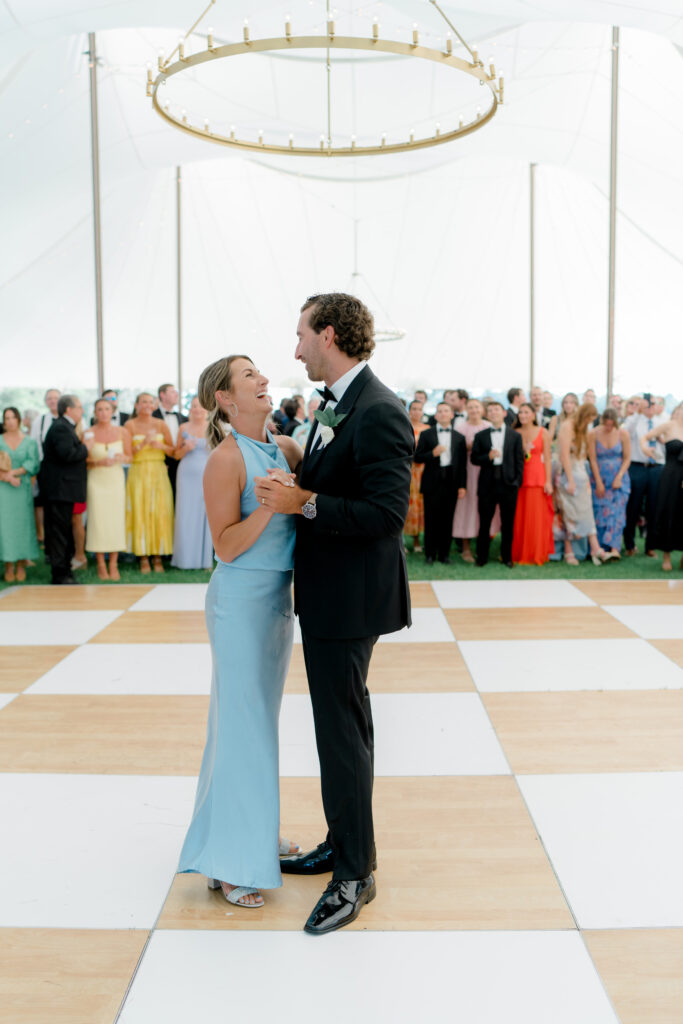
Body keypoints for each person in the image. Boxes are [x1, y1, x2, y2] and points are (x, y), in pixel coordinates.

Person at [254, 292, 413, 936]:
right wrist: (301, 458)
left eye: (300, 337)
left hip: (351, 599)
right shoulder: (335, 403)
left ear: (328, 334)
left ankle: (354, 874)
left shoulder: (379, 410)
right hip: (330, 594)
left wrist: (305, 502)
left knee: (341, 734)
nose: (294, 350)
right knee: (339, 729)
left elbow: (385, 516)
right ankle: (344, 842)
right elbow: (336, 475)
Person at [178, 356, 302, 908]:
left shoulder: (284, 447)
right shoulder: (225, 459)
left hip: (278, 598)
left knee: (256, 723)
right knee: (242, 725)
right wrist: (272, 508)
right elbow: (224, 546)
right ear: (226, 398)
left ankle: (244, 834)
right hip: (239, 599)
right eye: (248, 375)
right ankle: (232, 860)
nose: (262, 380)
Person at [40, 394, 88, 585]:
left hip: (62, 490)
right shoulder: (61, 428)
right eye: (79, 407)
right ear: (68, 409)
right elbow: (67, 454)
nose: (81, 411)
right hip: (59, 490)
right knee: (59, 532)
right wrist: (86, 448)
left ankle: (64, 570)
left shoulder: (65, 426)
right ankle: (60, 574)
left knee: (62, 530)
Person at [125, 393, 175, 573]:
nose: (147, 405)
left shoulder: (161, 424)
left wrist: (161, 447)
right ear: (137, 405)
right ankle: (143, 556)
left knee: (159, 510)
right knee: (140, 510)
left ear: (154, 405)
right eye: (143, 402)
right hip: (138, 472)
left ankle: (158, 556)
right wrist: (143, 443)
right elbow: (127, 454)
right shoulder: (129, 425)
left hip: (158, 472)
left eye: (149, 402)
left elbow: (173, 451)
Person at [471, 400, 524, 567]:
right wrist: (488, 456)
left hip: (508, 485)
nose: (493, 412)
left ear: (504, 413)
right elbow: (474, 458)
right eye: (491, 410)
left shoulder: (515, 436)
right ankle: (482, 557)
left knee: (508, 523)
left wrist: (516, 482)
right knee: (484, 522)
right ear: (487, 414)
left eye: (497, 410)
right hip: (487, 485)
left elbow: (519, 461)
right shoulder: (480, 436)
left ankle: (506, 557)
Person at [556, 403, 609, 566]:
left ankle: (595, 548)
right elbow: (564, 455)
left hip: (581, 474)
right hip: (567, 473)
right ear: (583, 416)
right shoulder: (567, 426)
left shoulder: (584, 429)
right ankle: (569, 551)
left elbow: (584, 455)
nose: (589, 422)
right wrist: (570, 480)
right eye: (589, 419)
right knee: (568, 513)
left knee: (586, 511)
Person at [415, 401, 467, 565]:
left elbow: (462, 464)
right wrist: (433, 453)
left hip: (451, 483)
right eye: (440, 411)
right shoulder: (426, 435)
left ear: (451, 415)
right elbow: (417, 457)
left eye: (446, 411)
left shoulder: (459, 438)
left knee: (447, 520)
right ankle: (430, 554)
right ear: (436, 415)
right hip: (432, 483)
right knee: (431, 520)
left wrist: (462, 486)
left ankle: (444, 554)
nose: (443, 414)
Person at [84, 398, 131, 580]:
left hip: (115, 480)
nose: (103, 413)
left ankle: (113, 563)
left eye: (106, 409)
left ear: (112, 411)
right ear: (95, 413)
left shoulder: (122, 432)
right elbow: (83, 460)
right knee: (97, 521)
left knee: (115, 520)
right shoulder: (88, 433)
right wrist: (98, 462)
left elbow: (130, 457)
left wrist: (122, 457)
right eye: (99, 409)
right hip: (96, 481)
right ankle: (101, 564)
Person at [452, 398, 497, 563]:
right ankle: (465, 547)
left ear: (482, 409)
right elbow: (456, 449)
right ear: (467, 410)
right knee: (466, 507)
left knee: (485, 507)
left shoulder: (489, 426)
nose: (474, 410)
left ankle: (483, 545)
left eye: (477, 407)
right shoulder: (460, 428)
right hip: (467, 471)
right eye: (470, 407)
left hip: (485, 472)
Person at [639, 404, 683, 571]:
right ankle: (666, 555)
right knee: (669, 512)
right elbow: (645, 437)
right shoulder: (669, 425)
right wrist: (645, 449)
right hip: (670, 476)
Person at [171, 396, 214, 570]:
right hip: (186, 474)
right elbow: (175, 454)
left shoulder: (213, 427)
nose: (197, 409)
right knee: (186, 513)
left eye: (200, 406)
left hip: (208, 474)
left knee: (205, 514)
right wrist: (185, 448)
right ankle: (184, 559)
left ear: (207, 409)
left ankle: (205, 560)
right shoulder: (183, 427)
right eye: (194, 406)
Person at [623, 395, 667, 556]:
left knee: (654, 507)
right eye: (649, 404)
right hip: (637, 467)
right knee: (633, 506)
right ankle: (629, 544)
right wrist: (638, 411)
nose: (651, 407)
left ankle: (650, 546)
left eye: (654, 404)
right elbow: (626, 432)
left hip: (656, 467)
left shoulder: (661, 422)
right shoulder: (635, 420)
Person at [0, 407, 40, 582]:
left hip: (21, 487)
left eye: (12, 418)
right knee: (5, 526)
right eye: (6, 418)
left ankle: (22, 564)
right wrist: (6, 477)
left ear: (18, 420)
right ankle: (8, 565)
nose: (9, 421)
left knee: (23, 525)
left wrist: (14, 473)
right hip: (3, 488)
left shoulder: (29, 442)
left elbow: (33, 463)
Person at [510, 404, 554, 565]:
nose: (523, 415)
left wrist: (548, 481)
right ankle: (518, 551)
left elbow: (548, 458)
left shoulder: (543, 432)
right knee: (519, 517)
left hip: (537, 477)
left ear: (533, 415)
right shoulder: (514, 432)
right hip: (519, 478)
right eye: (520, 412)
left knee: (536, 517)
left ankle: (536, 552)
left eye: (526, 412)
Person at [587, 408, 631, 560]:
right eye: (606, 424)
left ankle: (615, 548)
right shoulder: (593, 433)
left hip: (618, 479)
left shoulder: (623, 434)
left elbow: (627, 458)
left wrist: (619, 476)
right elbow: (592, 458)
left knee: (617, 512)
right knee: (600, 511)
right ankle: (600, 547)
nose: (609, 427)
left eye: (611, 425)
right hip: (599, 477)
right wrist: (598, 481)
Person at [30, 388, 61, 544]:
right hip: (46, 470)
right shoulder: (39, 421)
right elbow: (34, 445)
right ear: (45, 402)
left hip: (65, 471)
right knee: (48, 508)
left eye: (56, 398)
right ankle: (49, 543)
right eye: (49, 398)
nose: (53, 401)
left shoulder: (74, 419)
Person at [404, 399, 429, 554]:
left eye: (420, 409)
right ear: (409, 410)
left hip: (424, 471)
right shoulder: (404, 426)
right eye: (414, 408)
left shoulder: (428, 428)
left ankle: (419, 539)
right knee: (408, 505)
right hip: (407, 471)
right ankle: (404, 540)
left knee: (422, 505)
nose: (416, 412)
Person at [153, 383, 187, 496]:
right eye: (172, 391)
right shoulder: (152, 417)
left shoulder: (183, 418)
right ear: (162, 395)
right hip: (160, 464)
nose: (176, 394)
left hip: (180, 463)